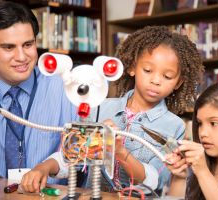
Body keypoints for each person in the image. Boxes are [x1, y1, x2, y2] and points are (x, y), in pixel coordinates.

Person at [20, 25, 204, 194]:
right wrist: (43, 168)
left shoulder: (175, 126)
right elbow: (72, 158)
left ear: (178, 82)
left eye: (167, 76)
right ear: (132, 68)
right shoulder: (100, 108)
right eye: (148, 70)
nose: (156, 80)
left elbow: (155, 179)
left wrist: (120, 152)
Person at [0, 1, 77, 182]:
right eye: (9, 47)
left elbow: (83, 154)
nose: (21, 57)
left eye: (28, 44)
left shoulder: (65, 88)